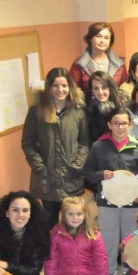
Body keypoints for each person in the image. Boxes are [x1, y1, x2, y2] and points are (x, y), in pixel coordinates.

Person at [82, 107, 138, 275]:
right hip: (107, 203)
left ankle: (128, 271)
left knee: (131, 239)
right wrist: (101, 174)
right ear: (110, 125)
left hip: (132, 204)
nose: (120, 127)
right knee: (108, 240)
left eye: (124, 123)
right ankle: (109, 272)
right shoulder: (98, 146)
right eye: (116, 123)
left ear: (130, 125)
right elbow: (87, 172)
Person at [21, 67, 89, 227]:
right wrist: (40, 167)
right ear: (49, 87)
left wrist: (77, 165)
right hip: (47, 179)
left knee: (74, 222)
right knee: (50, 225)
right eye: (55, 85)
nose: (60, 90)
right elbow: (28, 143)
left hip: (71, 177)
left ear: (70, 87)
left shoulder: (78, 111)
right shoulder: (37, 111)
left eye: (64, 85)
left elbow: (84, 143)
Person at [43, 196, 109, 275]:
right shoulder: (56, 234)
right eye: (70, 214)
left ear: (85, 215)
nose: (75, 218)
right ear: (64, 215)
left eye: (79, 214)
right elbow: (51, 259)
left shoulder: (94, 235)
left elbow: (101, 260)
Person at [69, 22, 128, 97]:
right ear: (90, 38)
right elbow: (74, 92)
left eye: (106, 38)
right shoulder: (79, 64)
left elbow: (125, 91)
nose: (102, 41)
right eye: (98, 36)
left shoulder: (119, 64)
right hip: (88, 104)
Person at [85, 71, 126, 145]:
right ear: (92, 90)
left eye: (104, 87)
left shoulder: (121, 107)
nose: (100, 92)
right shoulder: (88, 110)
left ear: (110, 88)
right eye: (96, 88)